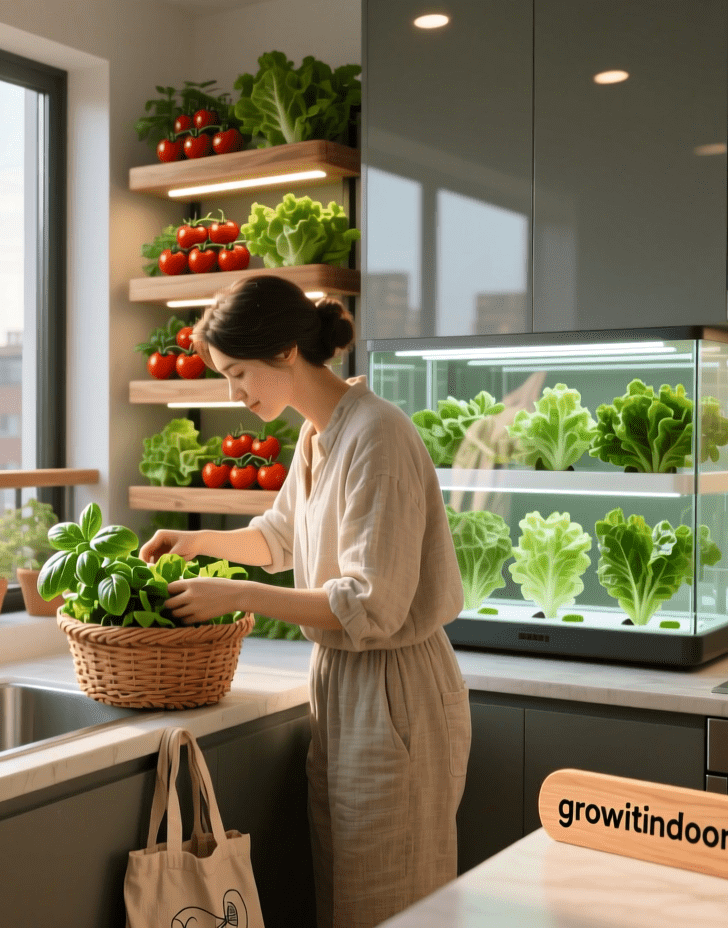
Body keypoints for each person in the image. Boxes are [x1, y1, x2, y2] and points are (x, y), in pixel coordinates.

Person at [140, 275, 472, 928]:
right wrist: (197, 541)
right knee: (349, 894)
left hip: (396, 690)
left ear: (286, 351)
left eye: (238, 374)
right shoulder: (319, 435)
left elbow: (371, 604)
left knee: (390, 901)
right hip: (344, 683)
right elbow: (279, 536)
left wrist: (237, 594)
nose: (234, 394)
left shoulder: (378, 437)